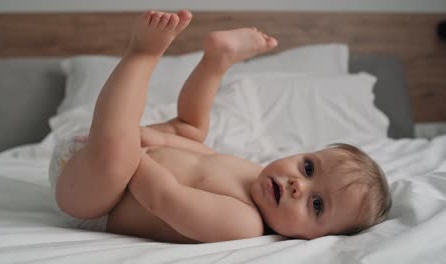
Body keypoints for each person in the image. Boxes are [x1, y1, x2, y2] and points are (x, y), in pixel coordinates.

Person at [48, 9, 391, 243]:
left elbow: (162, 199)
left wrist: (135, 147)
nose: (297, 185)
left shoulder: (244, 224)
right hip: (103, 156)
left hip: (95, 200)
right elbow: (198, 160)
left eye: (317, 205)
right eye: (308, 167)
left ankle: (142, 54)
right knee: (192, 130)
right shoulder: (257, 173)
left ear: (319, 239)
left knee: (116, 156)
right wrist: (162, 140)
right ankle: (217, 60)